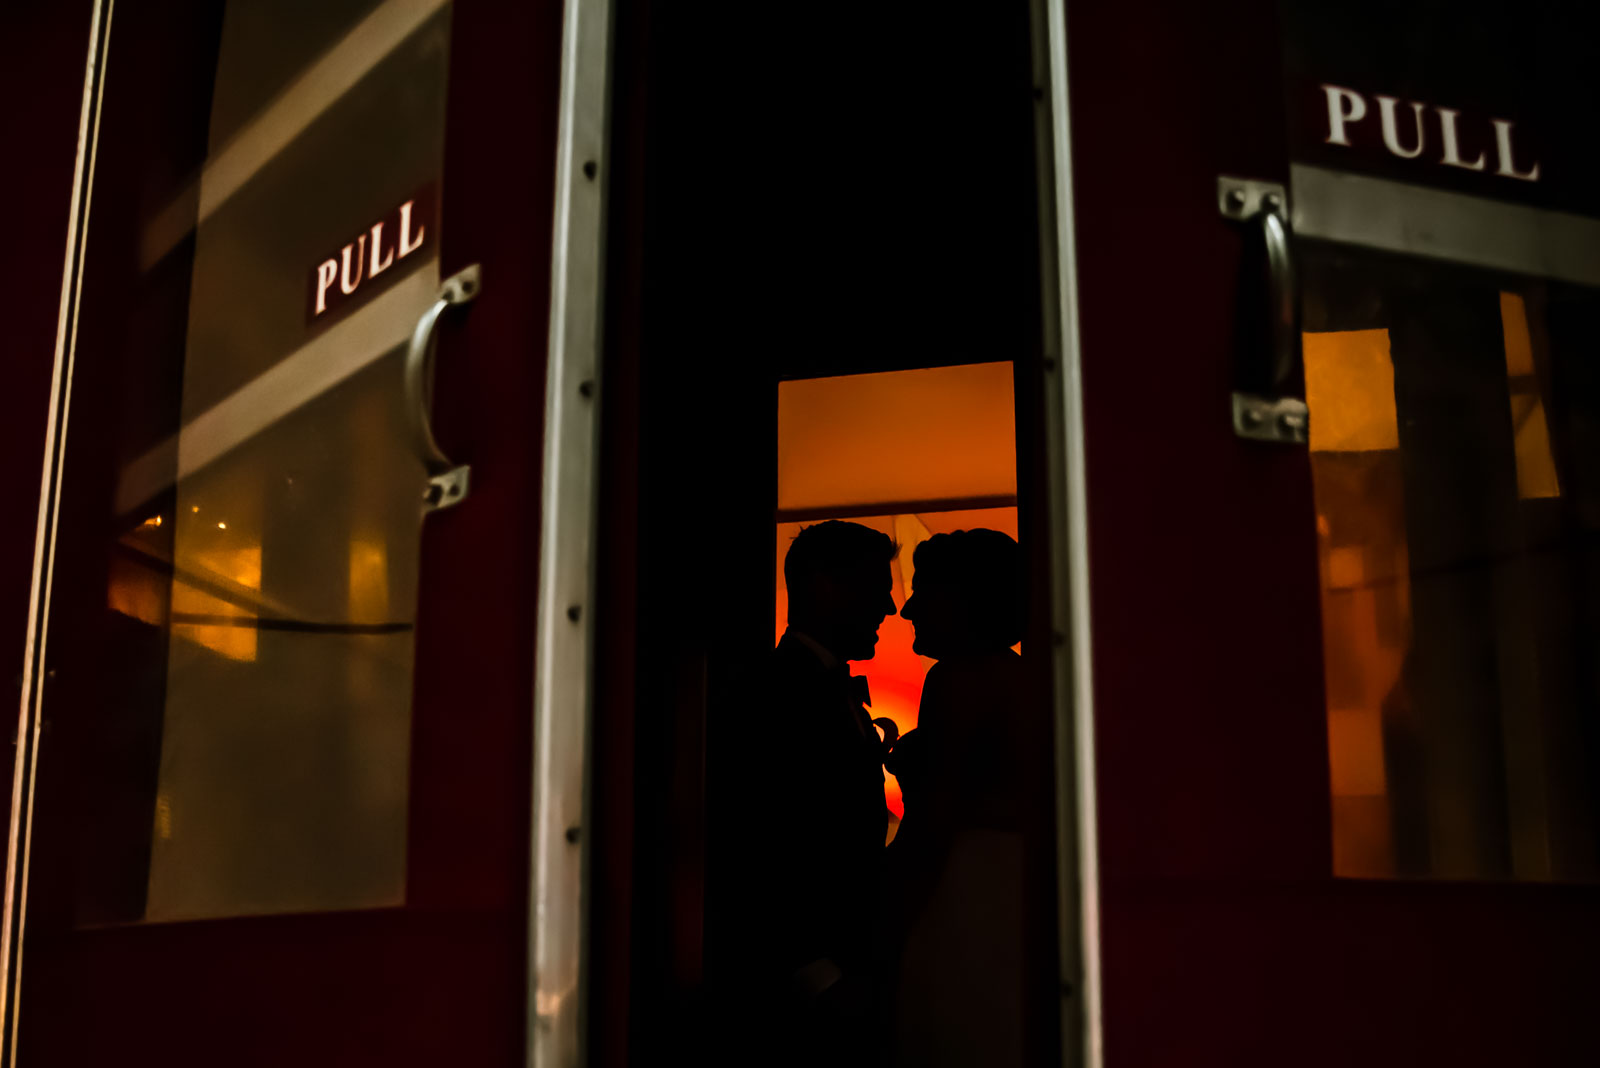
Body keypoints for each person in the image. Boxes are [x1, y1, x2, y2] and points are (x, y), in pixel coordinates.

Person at [728, 519, 898, 1065]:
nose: (890, 608)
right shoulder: (780, 693)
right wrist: (818, 973)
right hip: (812, 981)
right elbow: (766, 834)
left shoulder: (817, 686)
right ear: (825, 585)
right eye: (878, 589)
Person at [885, 529, 1036, 1067]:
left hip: (966, 887)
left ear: (965, 599)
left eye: (922, 590)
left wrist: (889, 912)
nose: (907, 609)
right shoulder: (1029, 678)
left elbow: (937, 816)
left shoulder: (956, 679)